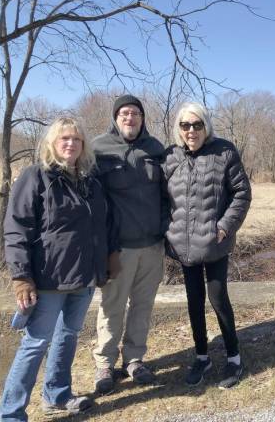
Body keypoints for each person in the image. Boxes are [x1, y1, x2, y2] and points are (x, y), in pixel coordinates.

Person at [0, 117, 119, 421]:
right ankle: (11, 414)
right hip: (48, 278)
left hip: (84, 276)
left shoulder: (90, 182)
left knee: (68, 335)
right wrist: (21, 276)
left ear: (83, 146)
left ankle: (58, 394)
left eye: (76, 140)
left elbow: (105, 223)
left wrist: (109, 256)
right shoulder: (36, 177)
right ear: (53, 143)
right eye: (64, 138)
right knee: (36, 343)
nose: (71, 144)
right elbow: (16, 230)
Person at [164, 102, 251, 389]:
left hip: (215, 243)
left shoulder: (224, 151)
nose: (191, 131)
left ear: (206, 126)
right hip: (183, 246)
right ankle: (202, 356)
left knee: (218, 299)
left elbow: (241, 193)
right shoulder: (170, 156)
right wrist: (166, 230)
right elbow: (159, 197)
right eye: (185, 125)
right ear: (179, 129)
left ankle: (233, 356)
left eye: (197, 124)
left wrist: (225, 225)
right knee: (193, 302)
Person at [92, 94, 167, 394]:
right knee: (111, 307)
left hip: (151, 246)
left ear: (142, 118)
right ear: (115, 117)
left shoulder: (155, 149)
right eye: (124, 113)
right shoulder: (99, 148)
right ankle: (104, 364)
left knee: (143, 306)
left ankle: (134, 359)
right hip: (118, 248)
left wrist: (163, 229)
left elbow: (166, 194)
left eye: (135, 113)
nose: (129, 118)